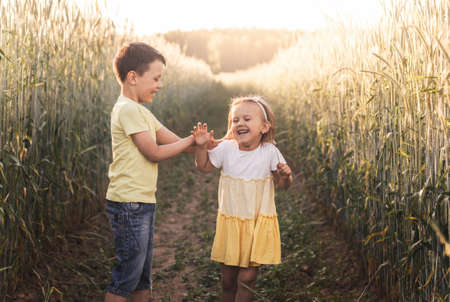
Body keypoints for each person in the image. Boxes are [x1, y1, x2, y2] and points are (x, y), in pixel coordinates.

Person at [104, 42, 214, 302]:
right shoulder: (127, 109)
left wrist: (208, 142)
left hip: (141, 202)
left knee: (142, 276)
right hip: (128, 204)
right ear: (133, 77)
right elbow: (152, 152)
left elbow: (176, 141)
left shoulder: (142, 112)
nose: (160, 84)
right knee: (126, 277)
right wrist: (191, 142)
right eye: (156, 78)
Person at [192, 96, 293, 302]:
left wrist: (284, 176)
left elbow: (283, 185)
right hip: (231, 222)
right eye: (235, 120)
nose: (240, 123)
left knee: (247, 278)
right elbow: (203, 167)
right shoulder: (227, 149)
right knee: (227, 279)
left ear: (264, 127)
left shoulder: (269, 152)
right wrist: (201, 147)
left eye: (247, 119)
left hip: (255, 224)